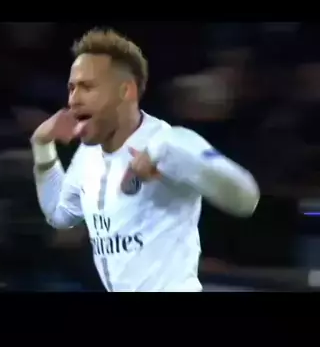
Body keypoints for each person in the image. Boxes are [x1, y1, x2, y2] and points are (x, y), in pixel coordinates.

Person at [31, 28, 260, 292]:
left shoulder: (170, 141)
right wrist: (42, 147)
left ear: (125, 91)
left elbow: (247, 198)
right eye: (72, 88)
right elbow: (60, 215)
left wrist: (162, 151)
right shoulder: (87, 156)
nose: (74, 100)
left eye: (87, 87)